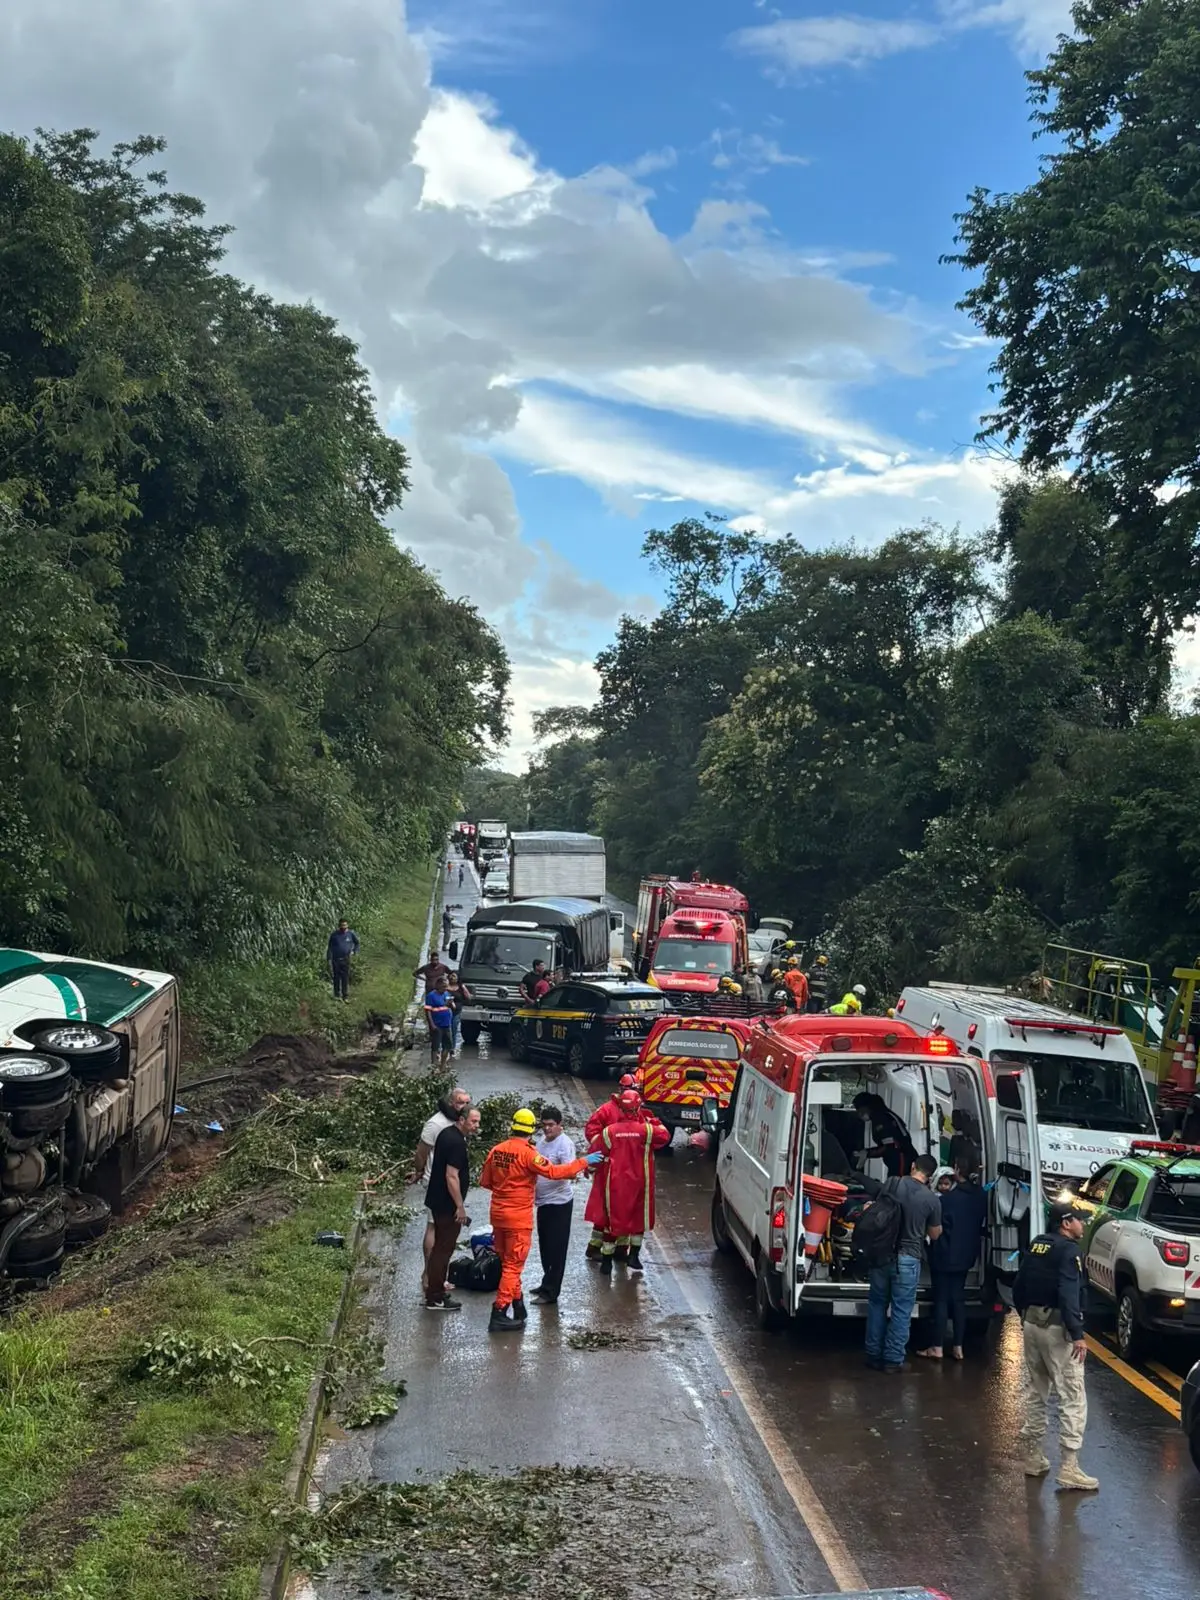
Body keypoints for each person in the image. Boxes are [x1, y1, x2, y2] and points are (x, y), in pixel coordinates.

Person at [479, 1108, 600, 1332]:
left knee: (507, 1262)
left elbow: (485, 1182)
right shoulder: (529, 1154)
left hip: (498, 1215)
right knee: (513, 1266)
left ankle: (518, 1305)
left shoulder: (496, 1150)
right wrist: (583, 1162)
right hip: (518, 1219)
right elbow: (554, 1172)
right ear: (531, 1129)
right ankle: (499, 1312)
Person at [1013, 1202, 1099, 1490]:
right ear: (1066, 1223)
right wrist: (1077, 1334)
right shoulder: (1070, 1252)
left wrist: (1024, 1314)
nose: (1082, 1225)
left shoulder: (1038, 1244)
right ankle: (1070, 1467)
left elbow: (1019, 1284)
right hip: (1057, 1330)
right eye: (1079, 1220)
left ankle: (1033, 1458)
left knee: (1037, 1391)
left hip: (1031, 1324)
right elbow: (1068, 1292)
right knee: (1072, 1395)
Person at [863, 1153, 942, 1372]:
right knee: (901, 1310)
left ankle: (873, 1354)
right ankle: (892, 1360)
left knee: (877, 1304)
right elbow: (934, 1234)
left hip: (882, 1254)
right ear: (931, 1175)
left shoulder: (892, 1184)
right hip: (908, 1259)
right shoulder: (932, 1199)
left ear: (913, 1166)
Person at [590, 1090, 671, 1274]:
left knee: (613, 1219)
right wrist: (653, 1120)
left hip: (615, 1183)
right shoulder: (647, 1130)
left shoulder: (610, 1131)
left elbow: (597, 1151)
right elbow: (665, 1136)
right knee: (638, 1219)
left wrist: (590, 1168)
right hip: (640, 1182)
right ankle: (634, 1256)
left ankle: (607, 1262)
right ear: (637, 1107)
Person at [916, 1167, 987, 1361]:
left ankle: (937, 1347)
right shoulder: (978, 1198)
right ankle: (958, 1347)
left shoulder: (942, 1202)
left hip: (942, 1257)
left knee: (941, 1300)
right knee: (958, 1300)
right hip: (965, 1258)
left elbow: (933, 1230)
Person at [424, 1103, 481, 1312]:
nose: (476, 1126)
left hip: (436, 1200)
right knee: (443, 1249)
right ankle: (436, 1297)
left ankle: (433, 1292)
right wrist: (460, 1206)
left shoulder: (446, 1134)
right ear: (462, 1120)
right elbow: (451, 1176)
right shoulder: (456, 1142)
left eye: (478, 1122)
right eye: (473, 1121)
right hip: (447, 1205)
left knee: (440, 1247)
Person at [583, 1075, 639, 1258]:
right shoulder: (607, 1110)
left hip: (628, 1169)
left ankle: (621, 1248)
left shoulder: (637, 1110)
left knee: (626, 1208)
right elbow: (592, 1131)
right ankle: (595, 1246)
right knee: (605, 1209)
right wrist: (600, 1154)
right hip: (608, 1167)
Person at [531, 1106, 577, 1305]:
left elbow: (570, 1172)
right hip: (543, 1202)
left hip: (559, 1203)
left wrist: (551, 1172)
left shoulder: (565, 1145)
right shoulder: (542, 1142)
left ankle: (551, 1291)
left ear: (560, 1125)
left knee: (556, 1248)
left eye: (551, 1125)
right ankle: (546, 1281)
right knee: (545, 1245)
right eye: (544, 1125)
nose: (547, 1129)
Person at [852, 1092, 918, 1178]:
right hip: (901, 1157)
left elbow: (890, 1146)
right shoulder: (884, 1115)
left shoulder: (881, 1119)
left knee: (898, 1183)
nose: (859, 1113)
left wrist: (868, 1153)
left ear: (867, 1107)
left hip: (901, 1158)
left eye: (859, 1109)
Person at [326, 919, 360, 1002]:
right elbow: (330, 947)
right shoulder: (334, 935)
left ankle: (345, 996)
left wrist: (354, 952)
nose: (343, 927)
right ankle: (337, 995)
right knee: (336, 978)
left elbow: (357, 943)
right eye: (342, 925)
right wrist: (329, 959)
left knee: (345, 978)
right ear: (339, 926)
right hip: (336, 959)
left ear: (347, 925)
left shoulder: (351, 934)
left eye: (345, 925)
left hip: (346, 959)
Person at [424, 985, 455, 1067]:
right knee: (436, 1045)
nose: (446, 988)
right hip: (437, 1024)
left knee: (447, 1045)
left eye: (446, 986)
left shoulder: (447, 994)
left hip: (447, 1024)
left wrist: (451, 1003)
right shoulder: (431, 996)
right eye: (444, 986)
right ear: (439, 985)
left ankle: (443, 1065)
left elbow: (453, 1007)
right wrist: (432, 1024)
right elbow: (428, 1011)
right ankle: (434, 1064)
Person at [444, 971, 470, 1057]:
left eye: (454, 976)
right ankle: (444, 1047)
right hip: (445, 1012)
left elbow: (468, 998)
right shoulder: (445, 987)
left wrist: (464, 989)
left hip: (456, 1012)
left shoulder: (461, 987)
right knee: (446, 1030)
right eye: (451, 976)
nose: (452, 977)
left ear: (458, 978)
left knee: (454, 1030)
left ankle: (452, 1048)